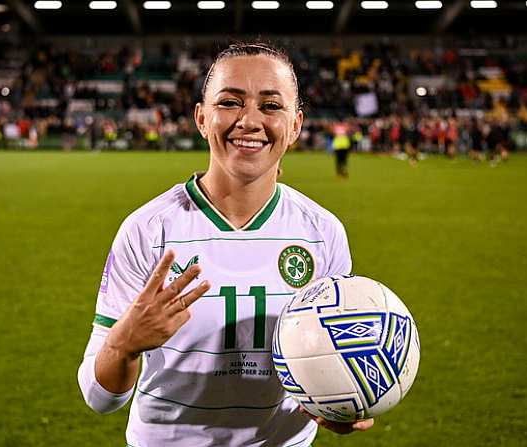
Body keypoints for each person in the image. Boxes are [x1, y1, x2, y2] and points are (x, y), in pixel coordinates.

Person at [77, 42, 374, 446]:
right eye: (230, 102)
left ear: (296, 124)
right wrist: (124, 344)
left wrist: (337, 404)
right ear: (202, 118)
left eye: (271, 106)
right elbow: (99, 398)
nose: (249, 121)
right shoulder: (148, 230)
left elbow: (330, 356)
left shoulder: (322, 232)